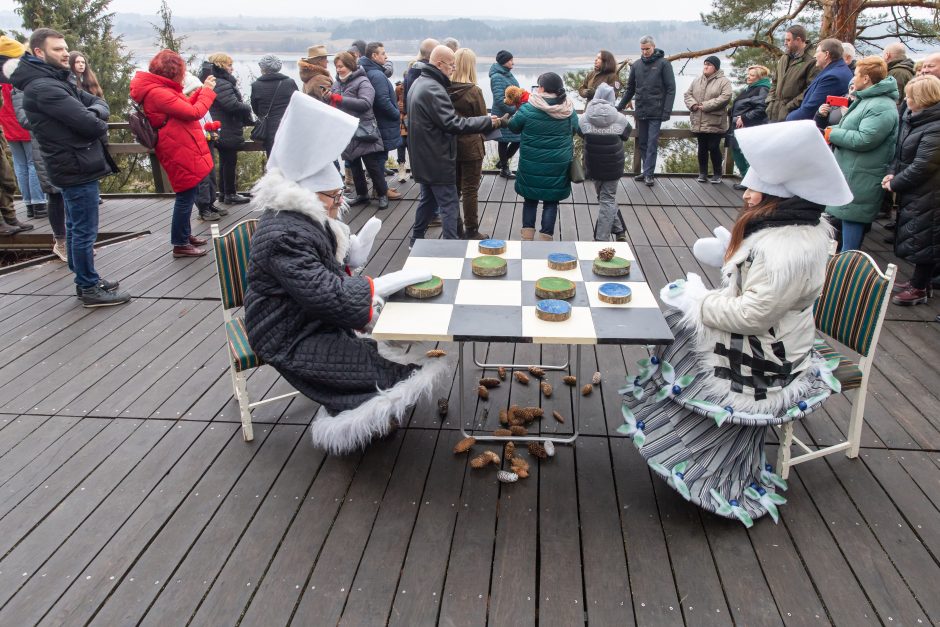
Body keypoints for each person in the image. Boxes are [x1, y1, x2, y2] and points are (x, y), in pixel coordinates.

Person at [625, 119, 851, 526]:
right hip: (773, 337)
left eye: (754, 189)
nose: (745, 194)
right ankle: (685, 448)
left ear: (779, 199)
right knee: (673, 329)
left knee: (674, 331)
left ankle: (702, 463)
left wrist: (698, 302)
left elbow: (752, 315)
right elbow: (759, 293)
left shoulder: (786, 250)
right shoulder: (787, 229)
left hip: (768, 357)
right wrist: (731, 263)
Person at [245, 92, 448, 453]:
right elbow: (324, 292)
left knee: (384, 361)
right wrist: (375, 287)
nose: (340, 203)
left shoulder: (303, 223)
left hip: (311, 319)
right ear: (307, 194)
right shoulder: (285, 234)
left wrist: (350, 263)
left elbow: (318, 281)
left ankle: (363, 414)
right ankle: (357, 426)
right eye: (333, 197)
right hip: (286, 334)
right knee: (391, 372)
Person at [9, 28, 129, 307]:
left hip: (74, 162)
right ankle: (88, 287)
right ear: (39, 52)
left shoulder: (52, 80)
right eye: (57, 50)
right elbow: (92, 124)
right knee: (83, 228)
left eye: (65, 48)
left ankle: (86, 278)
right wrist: (95, 113)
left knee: (76, 226)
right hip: (74, 165)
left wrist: (94, 110)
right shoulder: (45, 88)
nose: (65, 54)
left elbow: (96, 103)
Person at [407, 45, 499, 245]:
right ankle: (452, 248)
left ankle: (415, 239)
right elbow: (452, 123)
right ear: (439, 64)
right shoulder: (434, 89)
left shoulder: (418, 82)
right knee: (449, 205)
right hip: (437, 158)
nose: (453, 69)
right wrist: (488, 121)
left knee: (428, 200)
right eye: (450, 65)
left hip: (422, 157)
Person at [130, 50, 218, 258]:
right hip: (177, 148)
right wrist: (206, 91)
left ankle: (185, 235)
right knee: (185, 196)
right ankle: (180, 243)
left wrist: (199, 92)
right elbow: (194, 113)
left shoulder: (160, 89)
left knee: (190, 191)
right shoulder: (158, 93)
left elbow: (184, 107)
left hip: (180, 145)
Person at [823, 56, 899, 252]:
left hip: (862, 174)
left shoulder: (881, 106)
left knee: (852, 223)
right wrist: (832, 129)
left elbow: (866, 139)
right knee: (844, 221)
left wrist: (834, 133)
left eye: (856, 74)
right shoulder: (869, 100)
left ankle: (847, 268)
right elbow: (852, 127)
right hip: (853, 171)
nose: (853, 78)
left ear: (866, 78)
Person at [883, 75, 940, 306]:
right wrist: (893, 172)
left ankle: (919, 287)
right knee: (920, 236)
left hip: (930, 193)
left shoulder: (934, 127)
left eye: (910, 96)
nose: (906, 100)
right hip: (917, 191)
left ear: (923, 99)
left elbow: (923, 165)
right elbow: (901, 152)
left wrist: (895, 183)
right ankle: (920, 282)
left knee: (926, 238)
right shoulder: (915, 119)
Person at [509, 71, 578, 241]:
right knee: (551, 201)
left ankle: (527, 237)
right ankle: (546, 240)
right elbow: (575, 129)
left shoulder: (528, 108)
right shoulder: (568, 109)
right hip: (558, 164)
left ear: (541, 88)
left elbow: (513, 127)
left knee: (530, 199)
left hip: (531, 163)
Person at [330, 51, 389, 209]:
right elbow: (335, 103)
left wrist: (340, 99)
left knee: (372, 165)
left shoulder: (363, 81)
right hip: (346, 129)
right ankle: (362, 194)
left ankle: (383, 194)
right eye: (336, 67)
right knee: (354, 164)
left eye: (341, 66)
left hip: (363, 129)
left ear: (350, 65)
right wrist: (328, 99)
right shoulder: (336, 84)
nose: (338, 69)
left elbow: (365, 103)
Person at [616, 35, 676, 186]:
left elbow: (671, 89)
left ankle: (649, 174)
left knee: (651, 143)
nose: (645, 52)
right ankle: (646, 171)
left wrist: (666, 111)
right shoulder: (636, 65)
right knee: (642, 142)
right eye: (642, 49)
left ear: (653, 47)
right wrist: (619, 107)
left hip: (657, 110)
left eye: (647, 49)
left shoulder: (664, 64)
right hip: (641, 109)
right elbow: (630, 89)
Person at [578, 82, 631, 241]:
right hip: (613, 166)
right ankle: (607, 236)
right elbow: (626, 135)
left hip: (593, 165)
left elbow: (581, 133)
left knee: (604, 198)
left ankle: (612, 234)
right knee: (607, 199)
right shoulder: (620, 118)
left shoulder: (585, 117)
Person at [447, 47, 490, 240]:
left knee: (453, 189)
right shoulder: (474, 91)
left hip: (449, 145)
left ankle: (455, 228)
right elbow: (482, 119)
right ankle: (471, 229)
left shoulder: (443, 89)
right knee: (470, 189)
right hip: (471, 146)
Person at [200, 53, 253, 205]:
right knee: (229, 161)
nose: (232, 68)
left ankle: (224, 193)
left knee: (225, 161)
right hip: (226, 126)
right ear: (221, 65)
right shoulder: (221, 82)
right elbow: (231, 104)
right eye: (229, 65)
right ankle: (230, 193)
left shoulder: (212, 80)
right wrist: (246, 107)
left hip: (219, 126)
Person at [359, 42, 403, 201]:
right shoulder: (377, 75)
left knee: (378, 156)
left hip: (376, 121)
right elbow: (382, 100)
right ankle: (380, 190)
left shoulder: (368, 70)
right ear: (374, 56)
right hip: (382, 122)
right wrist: (396, 114)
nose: (386, 56)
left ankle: (380, 188)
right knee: (380, 157)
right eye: (383, 53)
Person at [183, 73, 225, 221]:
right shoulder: (187, 106)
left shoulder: (202, 105)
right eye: (193, 91)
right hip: (195, 144)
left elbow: (208, 120)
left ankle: (211, 202)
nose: (196, 93)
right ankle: (203, 207)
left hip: (207, 141)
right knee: (202, 177)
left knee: (211, 173)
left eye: (198, 90)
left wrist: (214, 131)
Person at [684, 55, 732, 184]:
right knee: (702, 148)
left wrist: (705, 106)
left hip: (715, 121)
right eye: (705, 64)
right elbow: (687, 94)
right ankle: (703, 173)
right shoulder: (697, 80)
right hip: (699, 121)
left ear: (715, 67)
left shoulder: (724, 81)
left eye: (709, 64)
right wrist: (693, 105)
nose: (705, 66)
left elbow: (725, 97)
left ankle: (717, 173)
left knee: (714, 147)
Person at [1, 81, 46, 219]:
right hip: (23, 123)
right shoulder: (16, 79)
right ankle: (38, 203)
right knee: (33, 163)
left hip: (7, 124)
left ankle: (28, 205)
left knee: (20, 164)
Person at [786, 39, 853, 121]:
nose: (814, 56)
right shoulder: (837, 70)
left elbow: (810, 110)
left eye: (818, 52)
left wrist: (788, 119)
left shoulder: (833, 77)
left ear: (827, 54)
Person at [728, 65, 771, 190]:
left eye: (752, 75)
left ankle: (750, 182)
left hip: (750, 127)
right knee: (737, 151)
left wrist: (745, 117)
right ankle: (746, 179)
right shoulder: (751, 88)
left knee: (747, 154)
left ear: (759, 77)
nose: (748, 77)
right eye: (749, 74)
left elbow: (762, 108)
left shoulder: (762, 89)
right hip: (739, 126)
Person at [766, 25, 818, 121]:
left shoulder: (812, 61)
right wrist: (770, 101)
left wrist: (788, 106)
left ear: (798, 40)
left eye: (788, 40)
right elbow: (775, 81)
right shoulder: (784, 57)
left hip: (793, 115)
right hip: (774, 112)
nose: (785, 43)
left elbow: (810, 90)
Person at [249, 54, 297, 157]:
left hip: (268, 129)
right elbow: (296, 104)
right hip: (288, 126)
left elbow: (256, 108)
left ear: (263, 68)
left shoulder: (256, 85)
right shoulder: (290, 83)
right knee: (289, 158)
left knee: (272, 161)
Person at [489, 50, 522, 179]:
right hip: (502, 115)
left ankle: (502, 163)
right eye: (510, 60)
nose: (512, 62)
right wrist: (514, 109)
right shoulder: (497, 77)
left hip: (511, 113)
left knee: (518, 140)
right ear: (503, 61)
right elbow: (499, 99)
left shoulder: (507, 74)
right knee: (503, 142)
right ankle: (504, 168)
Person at [394, 80, 408, 182]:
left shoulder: (415, 87)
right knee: (401, 144)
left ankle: (415, 171)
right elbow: (393, 102)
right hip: (401, 121)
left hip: (411, 121)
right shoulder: (399, 88)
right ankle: (401, 169)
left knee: (412, 147)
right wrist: (397, 106)